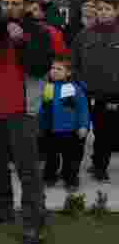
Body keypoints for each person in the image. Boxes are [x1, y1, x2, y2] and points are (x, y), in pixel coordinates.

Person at [0, 0, 52, 244]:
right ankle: (3, 208)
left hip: (21, 110)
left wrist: (22, 42)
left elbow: (41, 67)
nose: (10, 7)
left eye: (16, 3)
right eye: (6, 3)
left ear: (26, 5)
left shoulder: (39, 32)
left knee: (27, 169)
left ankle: (33, 222)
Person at [71, 0, 119, 182]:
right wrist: (77, 82)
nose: (103, 13)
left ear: (116, 11)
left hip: (110, 94)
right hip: (84, 93)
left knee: (104, 133)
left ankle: (100, 167)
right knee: (78, 133)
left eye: (108, 9)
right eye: (100, 9)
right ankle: (71, 170)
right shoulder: (84, 35)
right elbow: (73, 62)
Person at [39, 56, 89, 191]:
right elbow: (41, 108)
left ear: (68, 72)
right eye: (52, 68)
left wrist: (83, 125)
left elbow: (82, 108)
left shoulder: (75, 88)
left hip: (70, 131)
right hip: (50, 129)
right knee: (51, 156)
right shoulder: (46, 86)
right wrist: (39, 125)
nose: (54, 71)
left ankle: (70, 179)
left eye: (59, 69)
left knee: (71, 158)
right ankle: (50, 176)